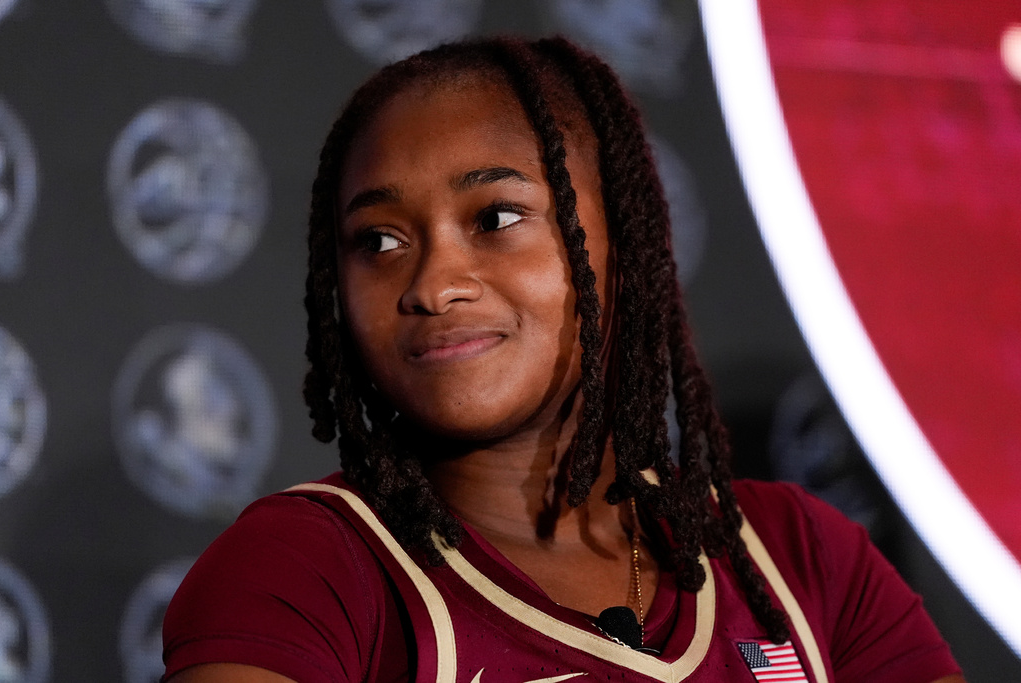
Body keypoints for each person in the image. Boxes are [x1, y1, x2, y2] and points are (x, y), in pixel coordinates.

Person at [161, 36, 964, 683]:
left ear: (625, 247)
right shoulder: (307, 567)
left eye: (496, 217)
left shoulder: (800, 558)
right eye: (379, 240)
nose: (434, 284)